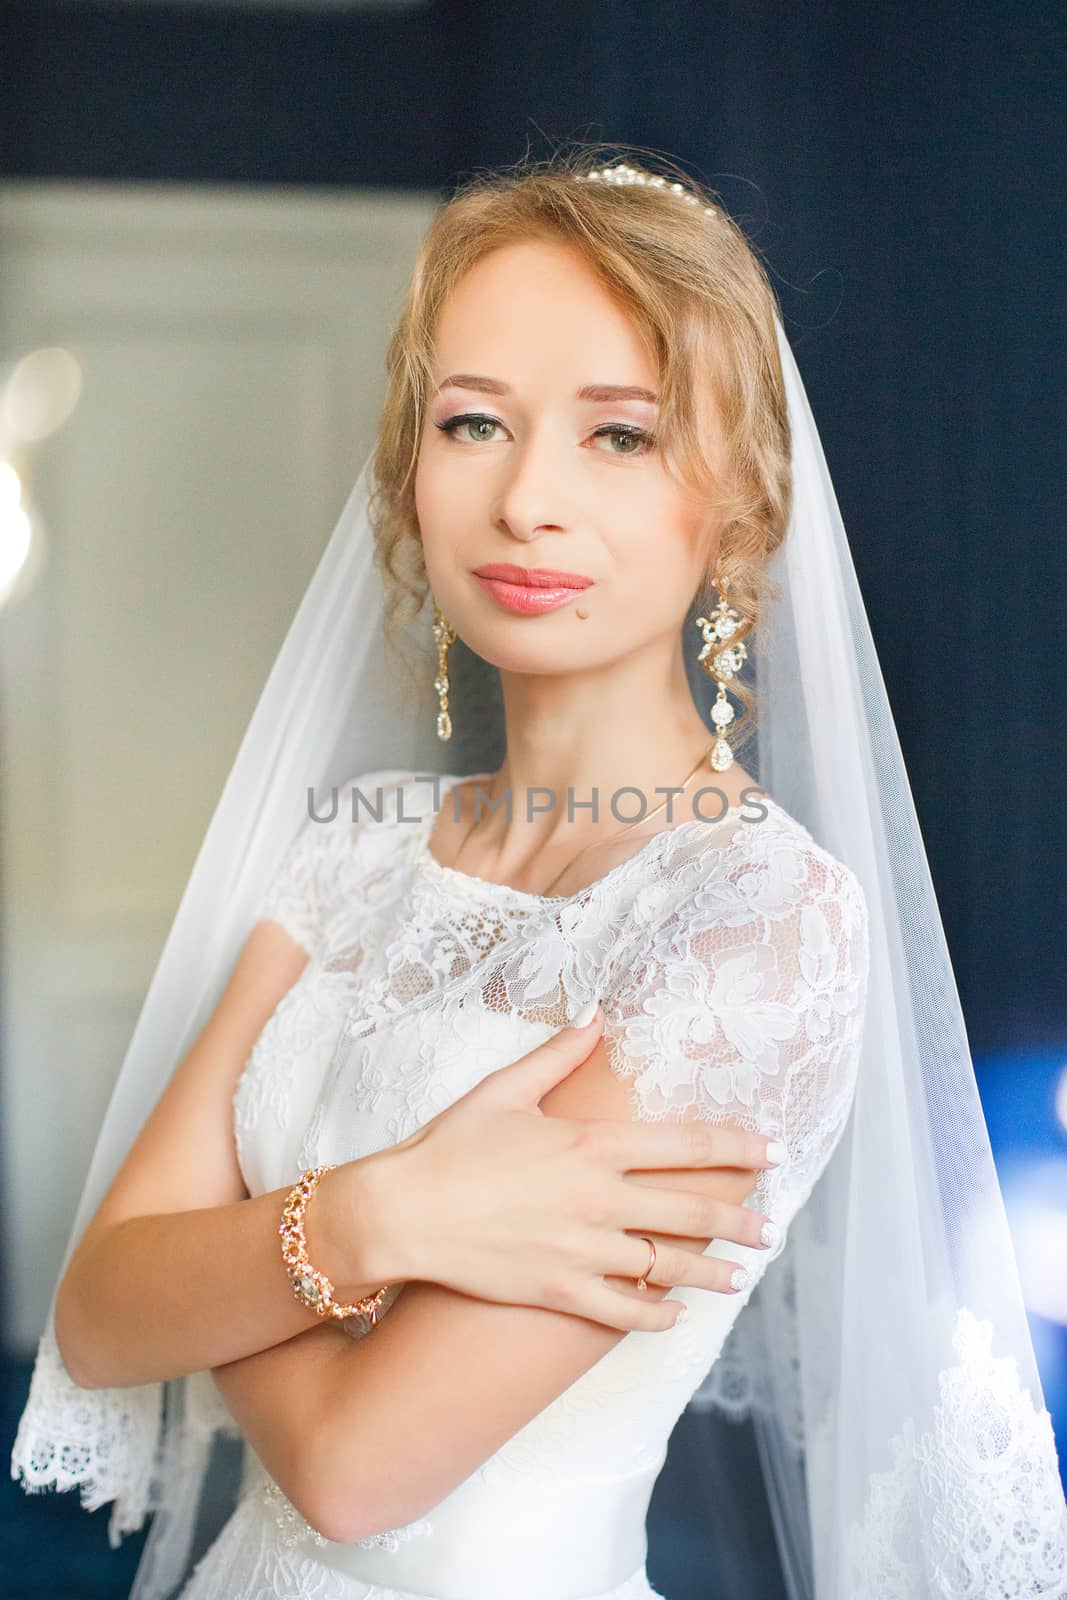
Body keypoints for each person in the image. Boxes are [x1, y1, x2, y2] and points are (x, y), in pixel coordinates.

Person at [12, 147, 1067, 1600]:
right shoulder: (360, 841)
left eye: (619, 436)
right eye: (474, 423)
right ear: (412, 468)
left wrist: (236, 1265)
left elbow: (354, 1471)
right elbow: (96, 1314)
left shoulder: (758, 926)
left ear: (738, 501)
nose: (527, 502)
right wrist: (389, 1215)